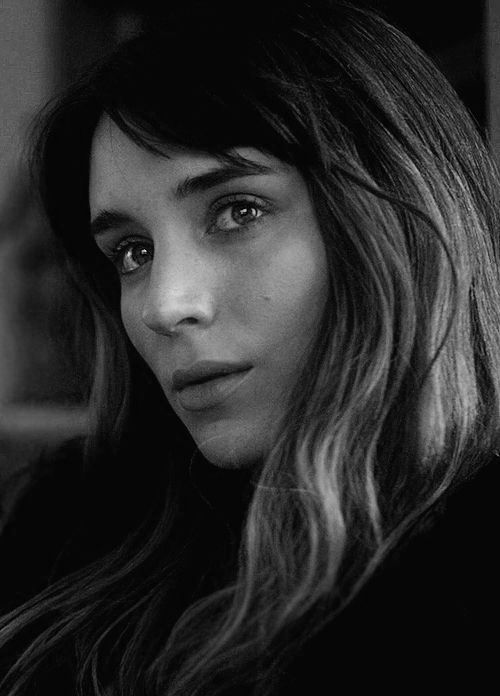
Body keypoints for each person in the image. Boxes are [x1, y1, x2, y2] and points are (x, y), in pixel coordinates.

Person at [0, 1, 499, 693]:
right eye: (133, 251)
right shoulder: (69, 536)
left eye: (239, 211)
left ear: (391, 217)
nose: (165, 306)